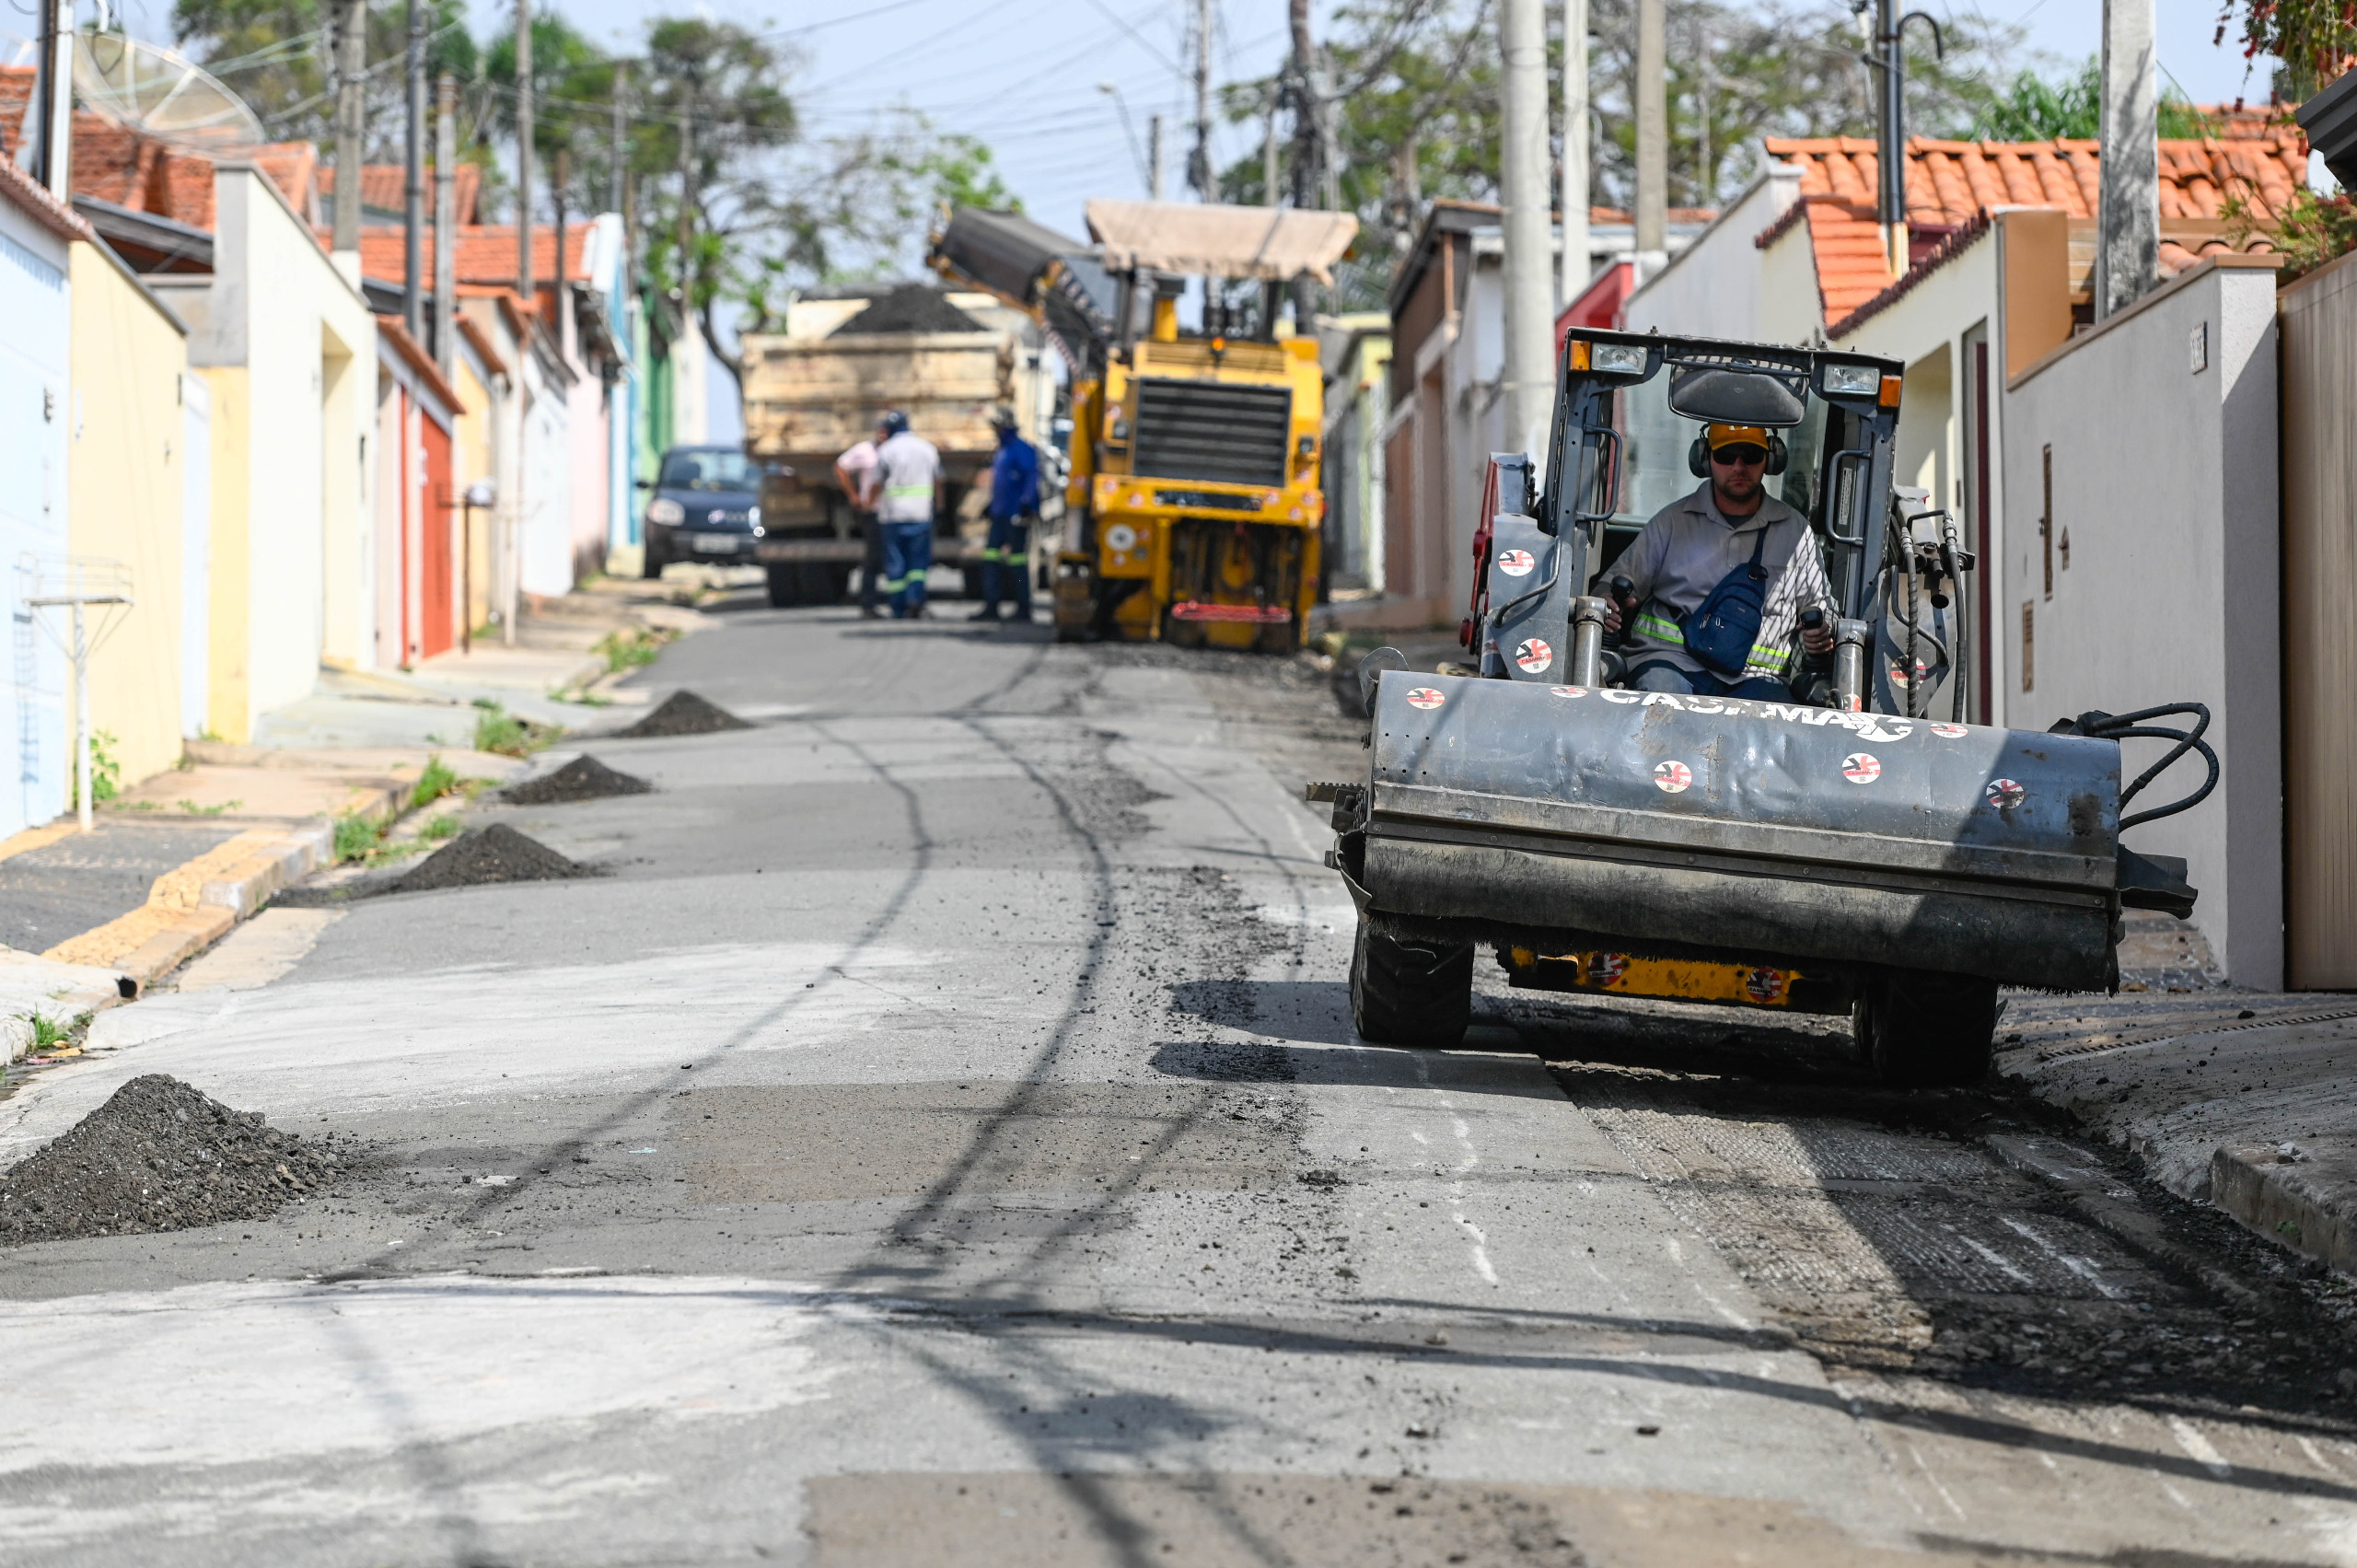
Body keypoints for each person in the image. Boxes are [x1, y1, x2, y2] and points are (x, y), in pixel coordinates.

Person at [1601, 422, 1837, 700]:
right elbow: (1613, 585)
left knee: (1773, 732)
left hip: (1758, 677)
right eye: (1726, 456)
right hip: (1670, 663)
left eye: (1750, 455)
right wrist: (1608, 604)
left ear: (1770, 459)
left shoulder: (1795, 532)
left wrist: (1823, 631)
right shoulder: (1672, 522)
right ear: (1705, 459)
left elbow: (1822, 609)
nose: (1738, 467)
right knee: (1661, 707)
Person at [861, 410, 944, 620]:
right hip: (920, 514)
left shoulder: (886, 451)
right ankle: (916, 601)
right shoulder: (927, 449)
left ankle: (898, 607)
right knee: (918, 563)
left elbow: (876, 484)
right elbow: (938, 481)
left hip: (892, 516)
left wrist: (868, 506)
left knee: (895, 563)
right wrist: (939, 506)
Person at [972, 406, 1041, 622]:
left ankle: (1023, 608)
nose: (995, 430)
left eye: (997, 426)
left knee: (1017, 562)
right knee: (991, 558)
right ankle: (992, 606)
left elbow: (1031, 479)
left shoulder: (1021, 450)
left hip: (1016, 515)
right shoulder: (1002, 450)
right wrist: (991, 506)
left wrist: (1027, 506)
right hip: (1000, 514)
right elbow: (1002, 484)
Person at [834, 418, 888, 620]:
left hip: (897, 513)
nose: (883, 436)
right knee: (873, 560)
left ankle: (905, 604)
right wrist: (854, 496)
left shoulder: (896, 451)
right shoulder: (866, 450)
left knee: (897, 560)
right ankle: (868, 604)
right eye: (880, 432)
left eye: (887, 432)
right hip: (875, 512)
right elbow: (841, 467)